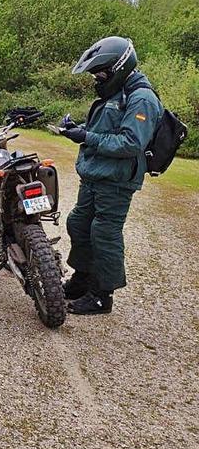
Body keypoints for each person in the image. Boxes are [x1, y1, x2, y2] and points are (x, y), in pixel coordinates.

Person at [60, 36, 162, 315]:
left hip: (116, 181)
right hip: (95, 176)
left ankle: (102, 295)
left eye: (101, 73)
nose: (97, 78)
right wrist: (76, 129)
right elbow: (106, 128)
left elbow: (130, 143)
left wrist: (87, 137)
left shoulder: (142, 98)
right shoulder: (116, 95)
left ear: (119, 68)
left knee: (104, 233)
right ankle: (82, 279)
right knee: (79, 224)